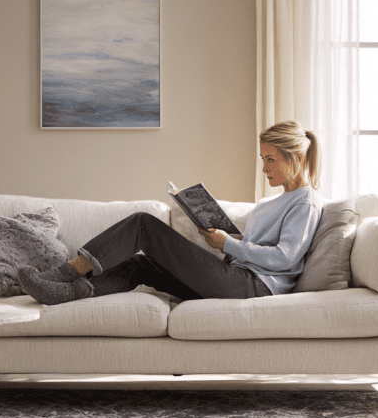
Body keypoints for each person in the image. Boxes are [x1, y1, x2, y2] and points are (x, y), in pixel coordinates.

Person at [17, 120, 325, 305]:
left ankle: (65, 271)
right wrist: (226, 237)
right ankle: (66, 293)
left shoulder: (305, 201)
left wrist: (227, 244)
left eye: (271, 160)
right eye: (263, 158)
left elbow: (285, 258)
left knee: (143, 225)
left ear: (296, 157)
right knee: (140, 265)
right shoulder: (270, 203)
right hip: (236, 276)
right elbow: (255, 247)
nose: (264, 167)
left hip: (253, 287)